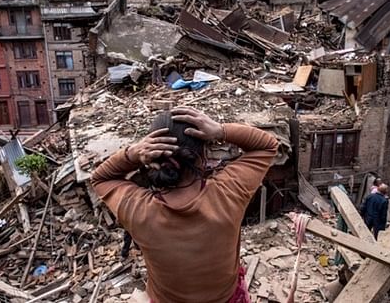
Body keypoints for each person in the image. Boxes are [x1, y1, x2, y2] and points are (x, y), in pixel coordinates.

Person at [91, 107, 278, 302]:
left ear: (151, 157)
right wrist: (220, 130)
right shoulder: (228, 192)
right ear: (203, 157)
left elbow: (100, 178)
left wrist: (132, 154)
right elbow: (268, 145)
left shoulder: (138, 210)